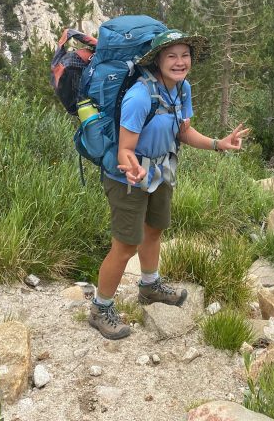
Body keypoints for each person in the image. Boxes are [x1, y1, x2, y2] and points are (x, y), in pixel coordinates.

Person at [87, 28, 250, 339]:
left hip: (161, 172)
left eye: (185, 55)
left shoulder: (181, 89)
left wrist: (219, 143)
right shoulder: (138, 96)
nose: (179, 61)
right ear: (157, 60)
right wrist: (131, 169)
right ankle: (100, 307)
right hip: (128, 178)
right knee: (125, 246)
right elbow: (125, 149)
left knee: (155, 230)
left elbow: (183, 132)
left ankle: (149, 286)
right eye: (171, 56)